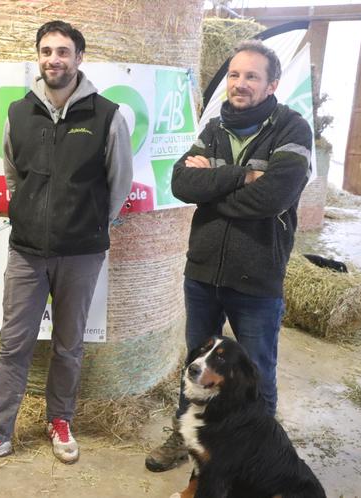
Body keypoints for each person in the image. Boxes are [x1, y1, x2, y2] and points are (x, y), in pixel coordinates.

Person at [0, 20, 133, 467]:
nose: (54, 59)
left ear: (79, 58)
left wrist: (86, 227)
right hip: (27, 252)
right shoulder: (18, 113)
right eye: (46, 51)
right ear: (38, 57)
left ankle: (60, 420)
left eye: (63, 51)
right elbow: (13, 174)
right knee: (14, 345)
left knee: (68, 345)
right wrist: (31, 214)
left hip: (81, 254)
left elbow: (118, 184)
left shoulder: (106, 116)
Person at [145, 40, 312, 472]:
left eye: (251, 76)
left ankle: (256, 455)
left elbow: (273, 198)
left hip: (256, 278)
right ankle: (187, 438)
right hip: (202, 274)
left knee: (257, 373)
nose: (240, 84)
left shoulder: (292, 130)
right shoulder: (215, 128)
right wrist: (243, 177)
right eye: (234, 75)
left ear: (272, 83)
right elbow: (181, 184)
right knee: (196, 367)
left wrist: (214, 190)